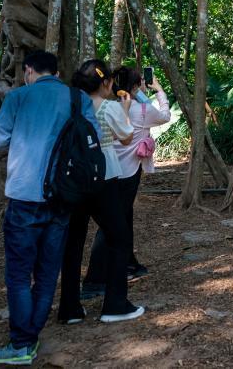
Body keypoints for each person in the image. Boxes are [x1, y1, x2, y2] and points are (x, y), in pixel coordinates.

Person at [0, 51, 101, 365]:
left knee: (20, 274)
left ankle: (22, 343)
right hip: (63, 196)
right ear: (56, 71)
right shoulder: (77, 98)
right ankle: (30, 335)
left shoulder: (18, 97)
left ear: (28, 71)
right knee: (48, 270)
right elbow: (95, 137)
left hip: (24, 195)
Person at [57, 59, 144, 326]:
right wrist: (126, 109)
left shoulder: (67, 105)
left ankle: (70, 308)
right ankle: (115, 304)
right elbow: (128, 136)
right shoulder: (109, 106)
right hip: (103, 176)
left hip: (71, 179)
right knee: (118, 238)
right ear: (105, 83)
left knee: (73, 243)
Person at [81, 66, 168, 297]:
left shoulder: (87, 106)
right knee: (112, 224)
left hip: (100, 170)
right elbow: (162, 116)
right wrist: (157, 89)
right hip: (124, 171)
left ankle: (130, 264)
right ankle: (94, 280)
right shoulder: (134, 109)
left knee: (122, 218)